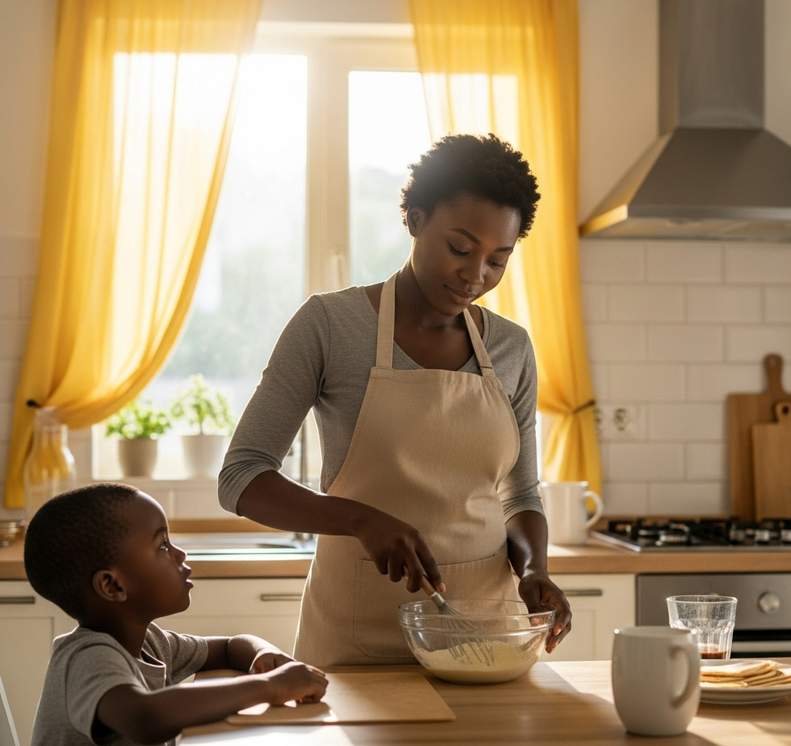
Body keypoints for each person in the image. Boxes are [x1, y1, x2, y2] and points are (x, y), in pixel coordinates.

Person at [219, 133, 573, 665]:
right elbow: (241, 477)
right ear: (413, 218)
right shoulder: (330, 326)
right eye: (459, 248)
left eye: (498, 260)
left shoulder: (511, 347)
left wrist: (533, 570)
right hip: (358, 636)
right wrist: (360, 520)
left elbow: (520, 496)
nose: (475, 276)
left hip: (483, 635)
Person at [23, 483, 328, 746]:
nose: (180, 554)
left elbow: (229, 646)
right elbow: (145, 716)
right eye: (163, 545)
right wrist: (271, 687)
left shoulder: (151, 643)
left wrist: (265, 654)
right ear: (112, 585)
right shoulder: (87, 657)